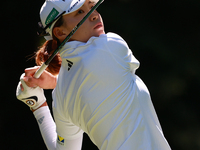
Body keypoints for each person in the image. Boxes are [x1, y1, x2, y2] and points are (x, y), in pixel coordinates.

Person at [16, 0, 171, 149]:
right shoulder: (111, 46)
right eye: (80, 12)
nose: (94, 14)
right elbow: (96, 74)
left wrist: (37, 104)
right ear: (60, 32)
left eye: (92, 6)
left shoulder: (62, 94)